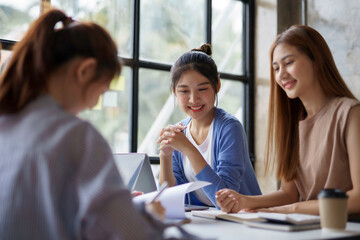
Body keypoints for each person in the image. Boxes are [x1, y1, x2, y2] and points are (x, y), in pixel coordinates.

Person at [0, 9, 165, 239]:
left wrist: (118, 207)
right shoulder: (76, 137)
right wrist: (147, 215)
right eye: (101, 90)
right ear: (85, 70)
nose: (93, 105)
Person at [216, 25, 360, 216]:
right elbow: (288, 193)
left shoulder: (350, 113)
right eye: (276, 68)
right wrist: (244, 200)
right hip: (309, 229)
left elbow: (358, 198)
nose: (281, 75)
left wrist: (292, 209)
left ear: (316, 61)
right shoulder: (293, 125)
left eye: (289, 62)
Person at [157, 44, 261, 207]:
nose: (193, 99)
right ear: (174, 92)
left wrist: (189, 149)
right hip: (207, 221)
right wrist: (165, 156)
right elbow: (168, 202)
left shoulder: (229, 128)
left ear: (217, 86)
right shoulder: (180, 132)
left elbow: (225, 202)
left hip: (244, 220)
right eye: (184, 91)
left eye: (202, 89)